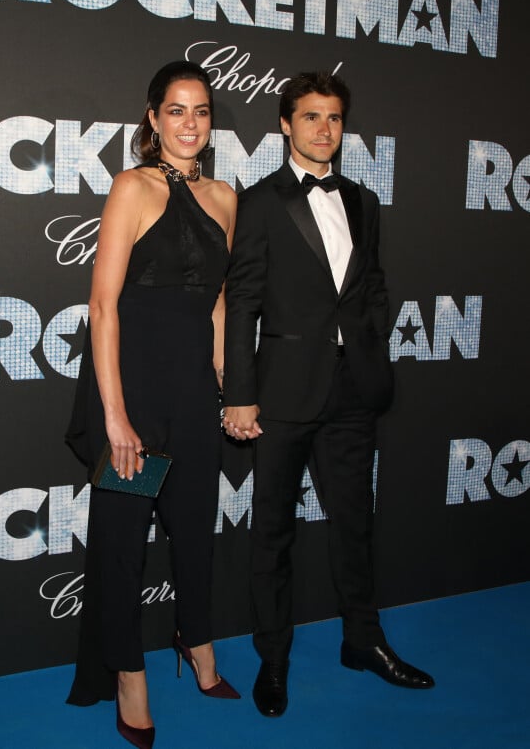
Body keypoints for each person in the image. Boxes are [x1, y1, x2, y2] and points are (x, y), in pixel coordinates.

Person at [223, 71, 434, 718]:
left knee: (355, 526)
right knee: (273, 534)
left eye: (335, 118)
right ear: (286, 124)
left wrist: (370, 344)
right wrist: (240, 393)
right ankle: (274, 660)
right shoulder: (259, 200)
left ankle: (363, 641)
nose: (324, 129)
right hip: (282, 393)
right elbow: (243, 305)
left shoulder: (365, 200)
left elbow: (373, 287)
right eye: (311, 116)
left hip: (353, 393)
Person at [65, 60, 239, 749]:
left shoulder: (228, 197)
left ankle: (198, 643)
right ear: (152, 117)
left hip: (196, 393)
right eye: (176, 110)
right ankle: (127, 674)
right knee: (121, 548)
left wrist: (230, 389)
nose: (190, 123)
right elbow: (103, 305)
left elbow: (220, 303)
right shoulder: (130, 188)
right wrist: (115, 417)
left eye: (201, 110)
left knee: (196, 534)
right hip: (131, 394)